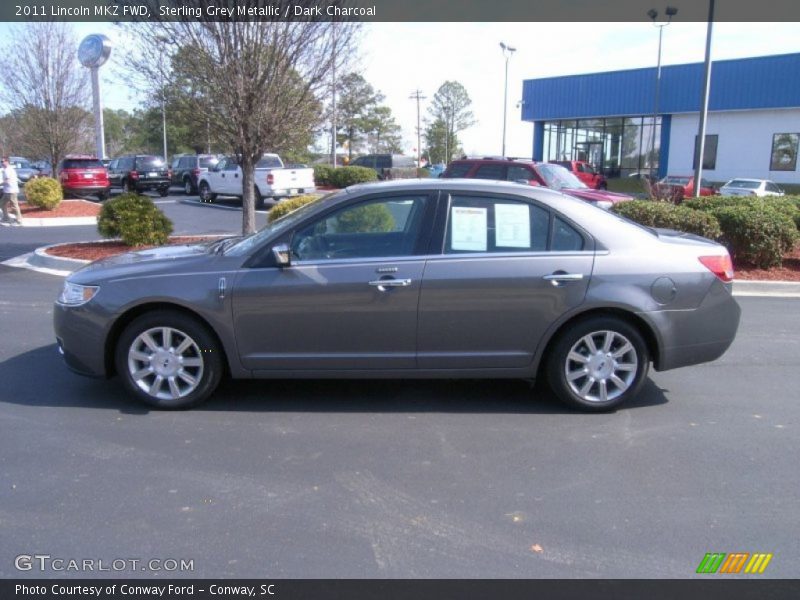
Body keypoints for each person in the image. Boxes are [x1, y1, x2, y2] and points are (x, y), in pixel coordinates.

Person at [1, 156, 23, 226]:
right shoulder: (6, 169)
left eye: (3, 161)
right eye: (1, 162)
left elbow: (7, 180)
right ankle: (6, 217)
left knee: (14, 205)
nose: (1, 163)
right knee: (2, 204)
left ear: (7, 162)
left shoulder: (8, 170)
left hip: (11, 191)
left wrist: (0, 183)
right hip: (7, 191)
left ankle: (19, 220)